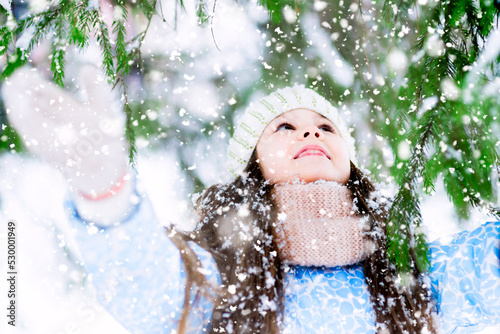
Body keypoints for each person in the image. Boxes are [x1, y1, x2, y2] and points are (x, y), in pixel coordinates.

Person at [3, 67, 500, 334]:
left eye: (326, 126)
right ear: (253, 164)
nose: (310, 130)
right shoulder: (227, 272)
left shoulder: (411, 272)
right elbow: (144, 287)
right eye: (285, 127)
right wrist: (105, 191)